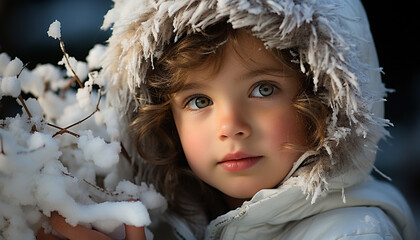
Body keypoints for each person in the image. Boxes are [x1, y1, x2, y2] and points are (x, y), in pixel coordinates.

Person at [38, 0, 419, 239]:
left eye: (264, 90)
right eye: (199, 100)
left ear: (327, 98)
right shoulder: (173, 225)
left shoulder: (352, 232)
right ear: (164, 119)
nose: (230, 125)